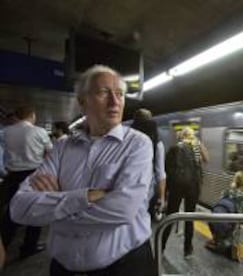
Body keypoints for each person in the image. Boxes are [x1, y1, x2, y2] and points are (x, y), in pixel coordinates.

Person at [9, 65, 156, 275]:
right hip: (63, 269)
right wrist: (86, 197)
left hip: (125, 266)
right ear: (82, 102)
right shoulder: (62, 147)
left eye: (120, 94)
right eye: (103, 92)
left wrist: (55, 207)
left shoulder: (137, 144)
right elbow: (19, 208)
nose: (115, 101)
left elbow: (123, 209)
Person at [1, 105, 53, 259]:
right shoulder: (39, 131)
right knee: (36, 210)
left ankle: (3, 245)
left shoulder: (5, 132)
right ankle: (28, 247)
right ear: (31, 115)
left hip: (12, 176)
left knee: (10, 212)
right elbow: (50, 153)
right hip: (33, 175)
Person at [162, 126, 209, 257]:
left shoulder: (174, 148)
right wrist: (198, 142)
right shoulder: (196, 148)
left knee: (170, 216)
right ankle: (187, 249)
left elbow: (167, 172)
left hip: (176, 187)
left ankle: (161, 246)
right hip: (193, 187)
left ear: (181, 136)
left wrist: (165, 194)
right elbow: (207, 159)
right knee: (189, 218)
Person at [205, 171, 243, 261]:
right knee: (237, 222)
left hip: (215, 224)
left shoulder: (225, 192)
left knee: (225, 217)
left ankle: (216, 241)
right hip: (229, 229)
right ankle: (231, 247)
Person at [130, 109, 166, 220]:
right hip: (145, 193)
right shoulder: (157, 143)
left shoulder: (127, 140)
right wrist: (161, 197)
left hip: (126, 192)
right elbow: (160, 174)